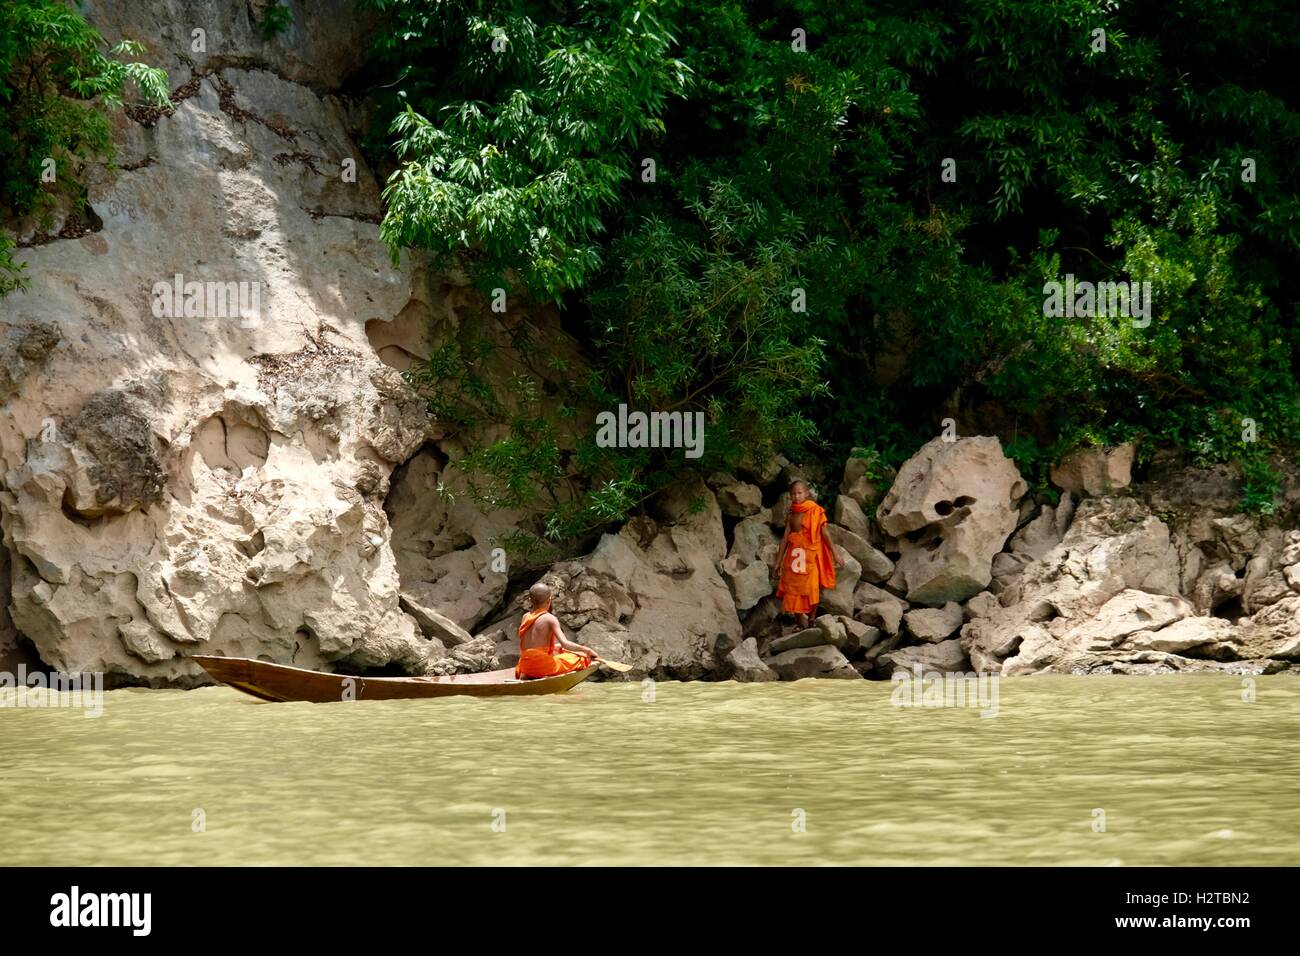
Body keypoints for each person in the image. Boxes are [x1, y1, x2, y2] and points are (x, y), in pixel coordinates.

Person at [772, 480, 844, 629]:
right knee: (792, 588)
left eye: (799, 493)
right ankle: (799, 622)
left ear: (807, 493)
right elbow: (785, 539)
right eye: (793, 494)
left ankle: (811, 619)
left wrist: (835, 554)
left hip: (811, 555)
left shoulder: (815, 510)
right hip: (795, 557)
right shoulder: (792, 514)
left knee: (812, 587)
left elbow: (825, 533)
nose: (796, 496)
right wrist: (778, 562)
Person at [515, 582, 598, 679]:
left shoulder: (525, 617)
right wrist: (587, 650)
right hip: (541, 666)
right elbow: (565, 644)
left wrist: (555, 647)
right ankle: (539, 672)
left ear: (530, 600)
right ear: (549, 600)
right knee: (579, 658)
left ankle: (529, 674)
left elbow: (533, 647)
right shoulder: (550, 618)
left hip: (525, 666)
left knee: (560, 652)